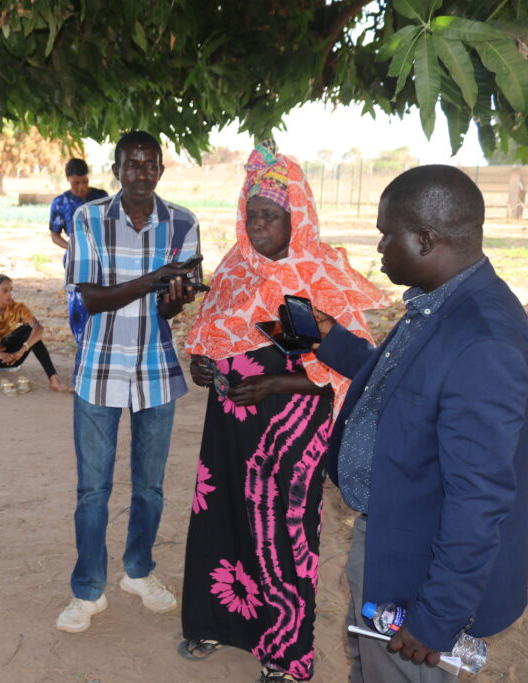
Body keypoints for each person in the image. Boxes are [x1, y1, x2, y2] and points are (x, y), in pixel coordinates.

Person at [313, 165, 528, 682]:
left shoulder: (483, 340)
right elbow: (409, 386)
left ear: (425, 239)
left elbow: (478, 502)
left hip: (420, 574)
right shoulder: (441, 304)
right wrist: (333, 342)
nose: (379, 247)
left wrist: (437, 618)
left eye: (385, 235)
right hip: (393, 538)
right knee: (369, 669)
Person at [178, 142, 389, 682]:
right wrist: (203, 364)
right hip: (230, 424)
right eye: (251, 214)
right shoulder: (235, 267)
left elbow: (352, 368)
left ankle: (286, 653)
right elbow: (211, 334)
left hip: (291, 428)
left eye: (271, 215)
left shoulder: (319, 274)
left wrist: (275, 382)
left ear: (297, 216)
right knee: (222, 517)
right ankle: (219, 623)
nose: (258, 225)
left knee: (282, 534)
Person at [56, 130, 200, 633]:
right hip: (99, 370)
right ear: (116, 169)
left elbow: (170, 309)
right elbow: (90, 298)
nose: (142, 173)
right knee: (92, 491)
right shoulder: (88, 218)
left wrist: (175, 296)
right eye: (132, 164)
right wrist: (152, 280)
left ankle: (138, 571)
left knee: (150, 488)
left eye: (150, 163)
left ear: (161, 168)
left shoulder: (183, 222)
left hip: (156, 370)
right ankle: (87, 590)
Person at [49, 158, 108, 343]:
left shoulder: (101, 197)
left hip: (102, 257)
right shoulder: (60, 202)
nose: (82, 187)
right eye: (76, 183)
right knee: (78, 302)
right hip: (76, 259)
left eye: (85, 181)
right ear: (68, 180)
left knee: (104, 299)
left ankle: (102, 341)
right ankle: (83, 344)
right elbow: (55, 235)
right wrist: (73, 247)